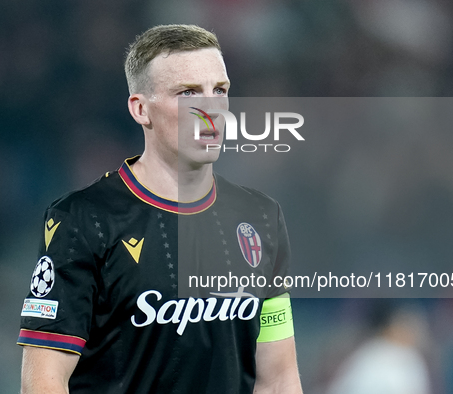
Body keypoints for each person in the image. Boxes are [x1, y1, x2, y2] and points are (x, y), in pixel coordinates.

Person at [18, 24, 303, 394]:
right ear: (141, 109)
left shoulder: (261, 217)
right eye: (188, 92)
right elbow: (44, 380)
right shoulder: (84, 220)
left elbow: (278, 379)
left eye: (220, 90)